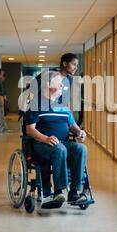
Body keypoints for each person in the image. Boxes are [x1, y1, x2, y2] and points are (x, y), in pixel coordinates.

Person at [25, 71, 87, 207]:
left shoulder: (63, 106)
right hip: (41, 144)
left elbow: (73, 126)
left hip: (63, 143)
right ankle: (58, 191)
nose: (62, 86)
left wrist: (79, 132)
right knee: (59, 149)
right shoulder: (35, 104)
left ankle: (74, 192)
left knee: (80, 148)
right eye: (59, 83)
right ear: (47, 84)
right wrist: (46, 138)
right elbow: (30, 129)